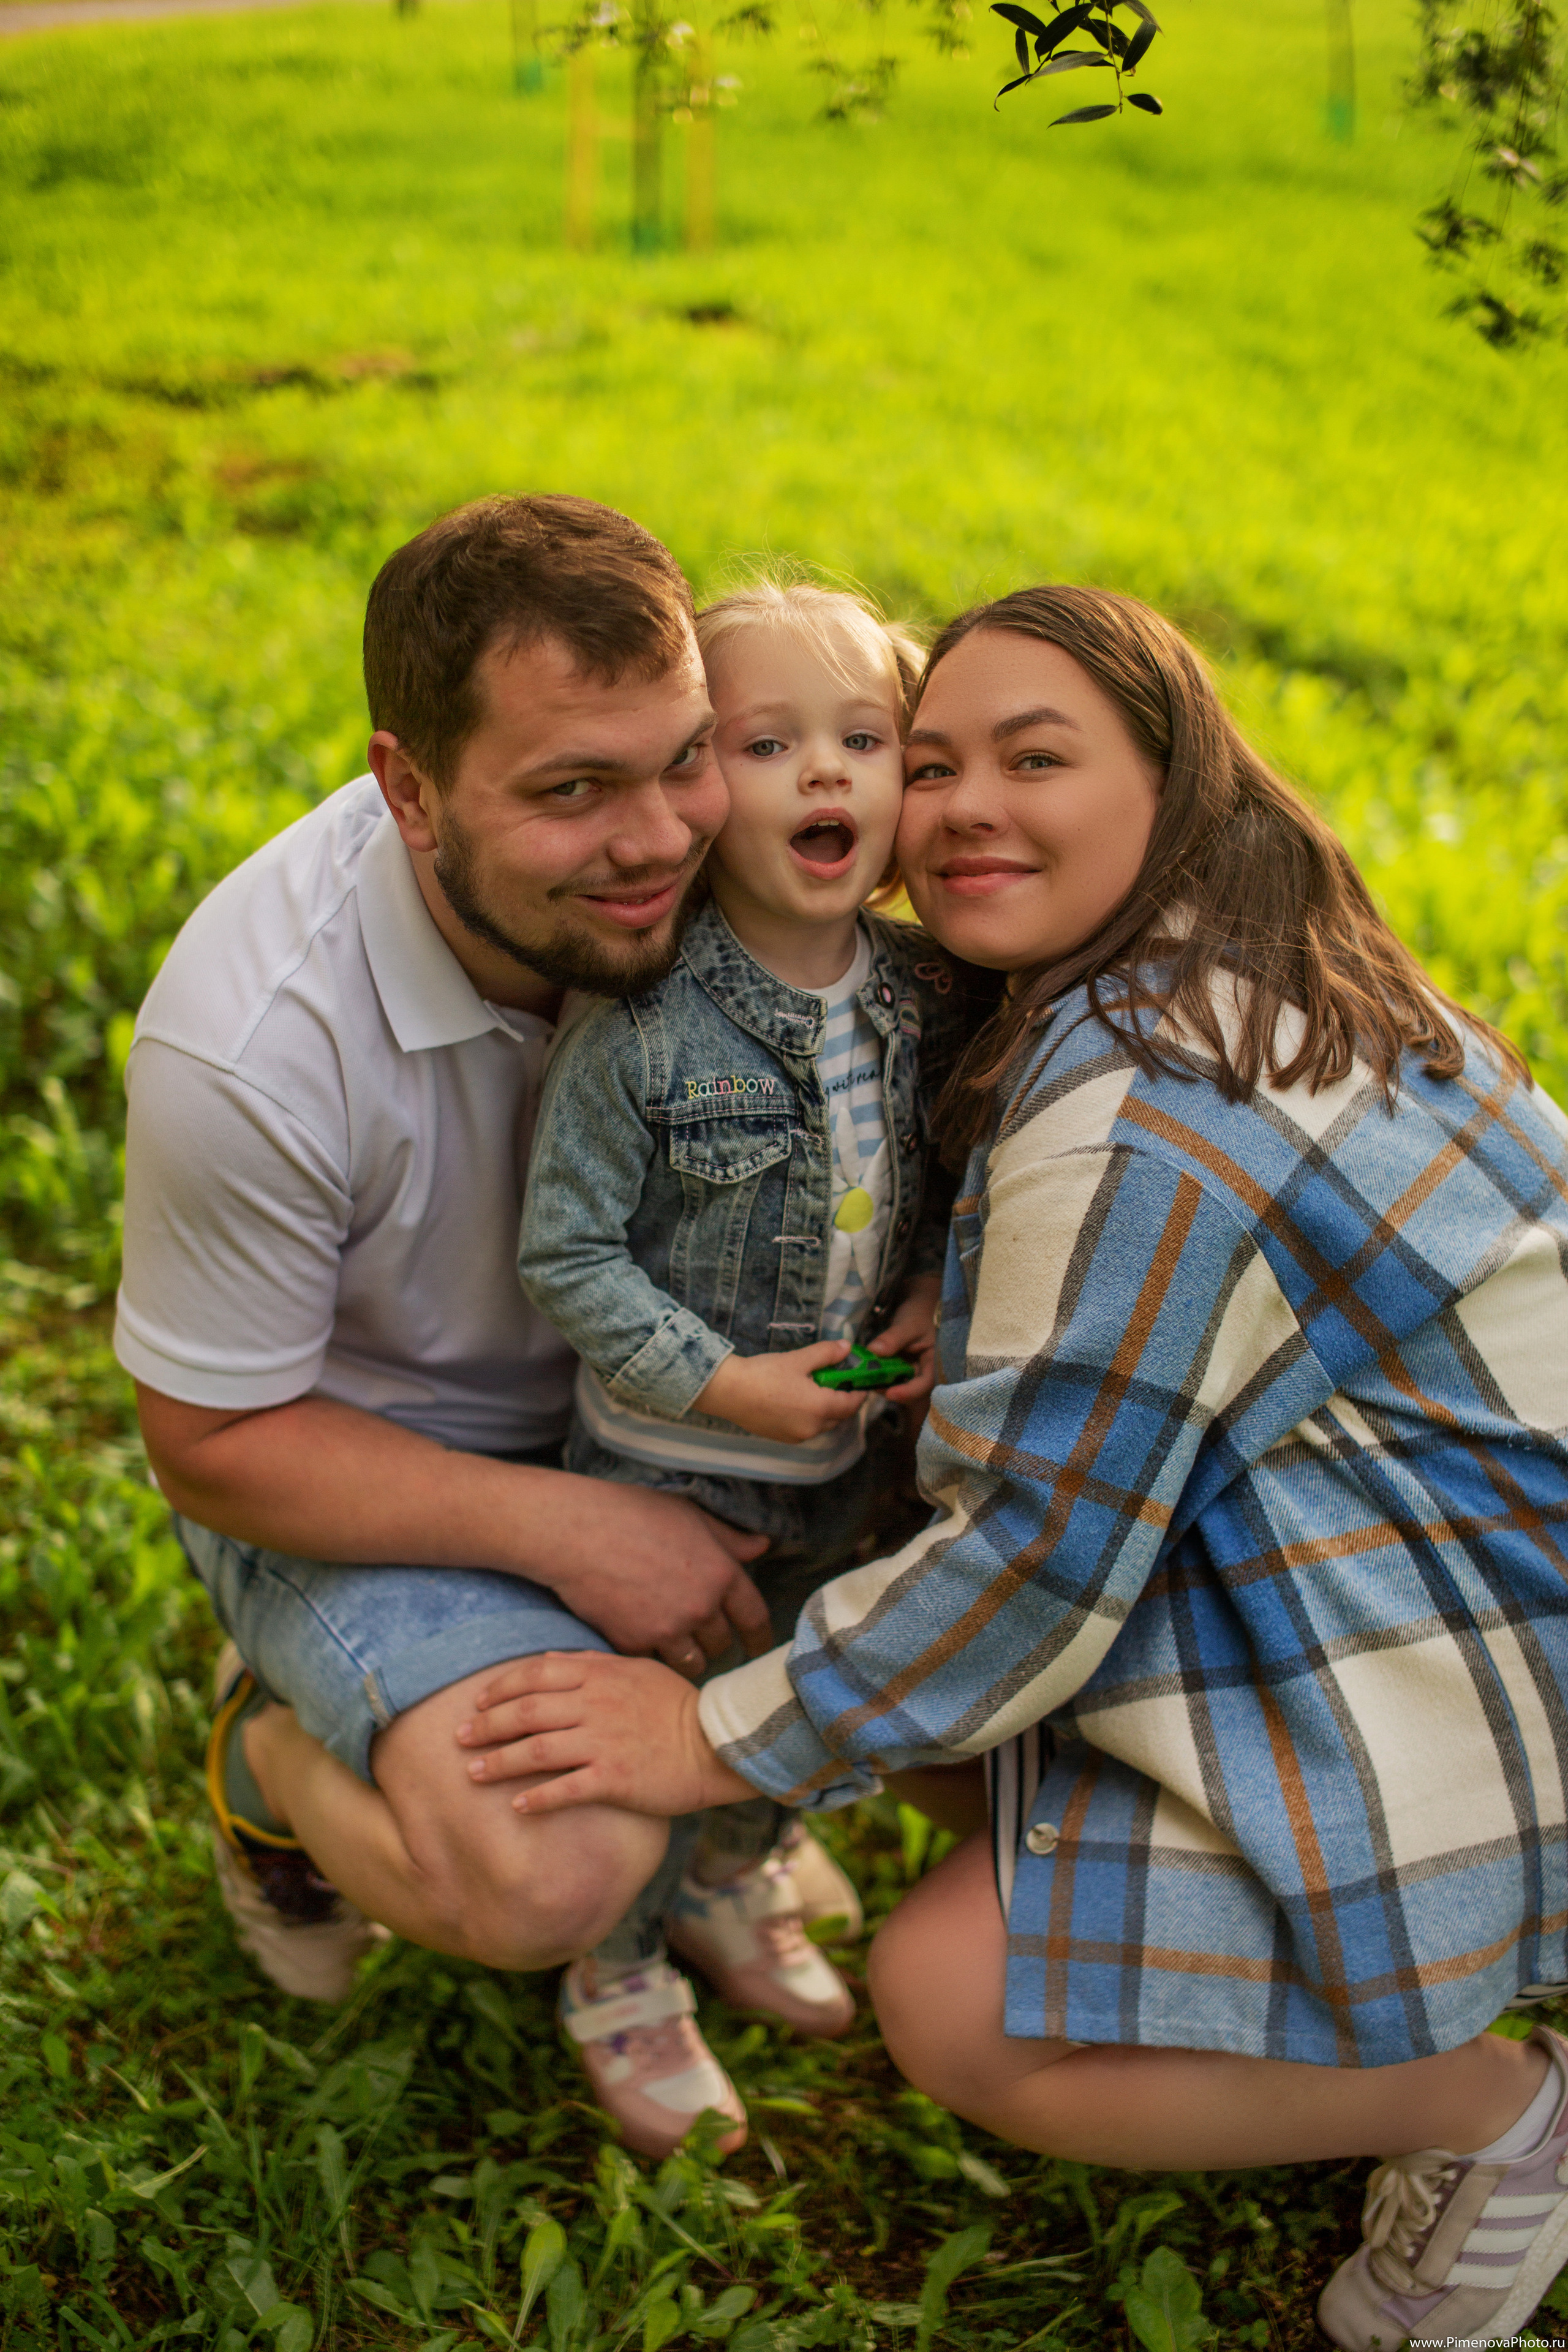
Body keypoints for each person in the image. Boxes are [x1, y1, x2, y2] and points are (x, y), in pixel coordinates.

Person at [454, 586, 1568, 2351]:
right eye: (937, 762)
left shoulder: (1146, 1109)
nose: (961, 806)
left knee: (952, 1997)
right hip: (1435, 1564)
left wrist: (703, 1735)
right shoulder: (1231, 971)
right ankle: (1320, 2007)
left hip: (1483, 1669)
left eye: (1032, 761)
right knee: (920, 1703)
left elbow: (1038, 1560)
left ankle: (1494, 2110)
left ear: (1175, 780)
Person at [116, 495, 810, 2108]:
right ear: (410, 790)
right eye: (573, 790)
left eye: (682, 758)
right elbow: (210, 1443)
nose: (661, 841)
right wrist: (577, 1533)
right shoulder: (252, 1044)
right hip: (360, 1472)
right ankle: (267, 1756)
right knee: (550, 1864)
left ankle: (721, 1842)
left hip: (677, 1403)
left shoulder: (724, 862)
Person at [516, 582, 982, 2149]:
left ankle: (733, 1876)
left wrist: (927, 1284)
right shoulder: (641, 1027)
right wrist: (722, 1386)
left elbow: (950, 1176)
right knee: (653, 1720)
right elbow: (567, 1258)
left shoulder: (927, 995)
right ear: (697, 793)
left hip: (845, 1463)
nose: (823, 773)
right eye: (767, 744)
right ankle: (616, 1962)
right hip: (667, 1469)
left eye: (863, 739)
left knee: (797, 1682)